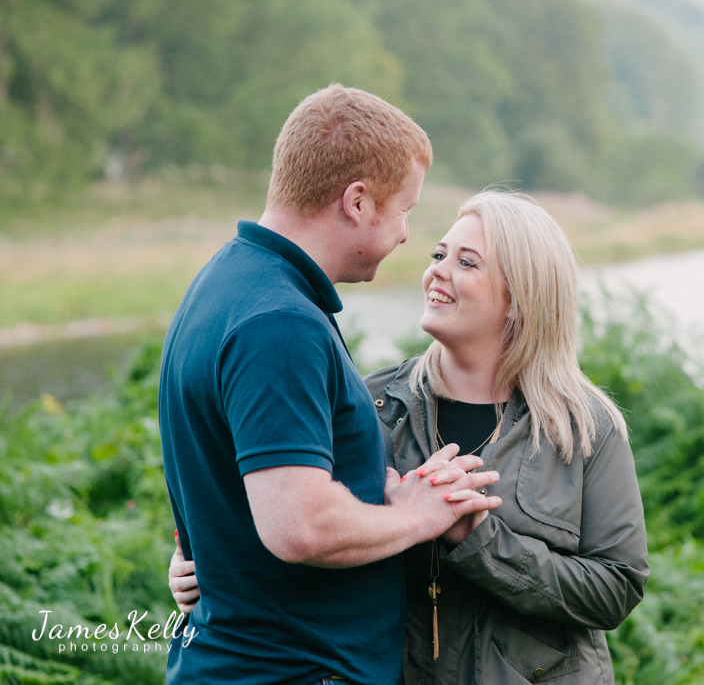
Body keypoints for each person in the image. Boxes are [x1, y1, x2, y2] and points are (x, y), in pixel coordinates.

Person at [173, 190, 649, 685]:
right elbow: (295, 516)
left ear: (520, 297)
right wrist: (208, 564)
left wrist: (477, 539)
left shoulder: (584, 426)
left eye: (467, 263)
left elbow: (616, 589)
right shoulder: (368, 404)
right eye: (439, 255)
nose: (438, 270)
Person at [159, 84, 502, 685]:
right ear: (358, 202)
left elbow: (240, 491)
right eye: (405, 211)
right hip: (293, 671)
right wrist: (418, 515)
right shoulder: (280, 323)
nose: (404, 235)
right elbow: (300, 525)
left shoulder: (227, 282)